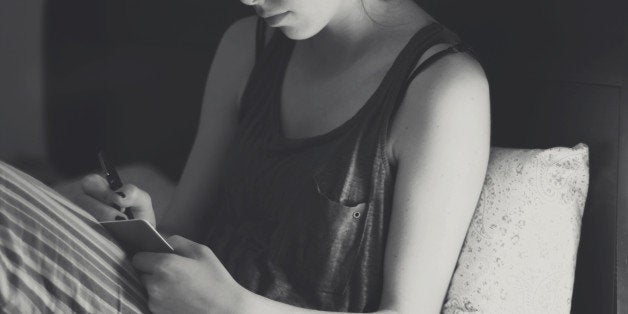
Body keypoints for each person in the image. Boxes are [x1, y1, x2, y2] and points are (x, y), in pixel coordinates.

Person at [76, 0, 490, 313]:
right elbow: (186, 229)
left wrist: (234, 308)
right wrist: (144, 233)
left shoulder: (442, 89)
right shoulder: (247, 46)